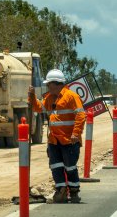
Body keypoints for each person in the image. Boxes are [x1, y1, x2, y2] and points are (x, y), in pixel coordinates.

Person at [28, 69, 86, 203]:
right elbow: (39, 108)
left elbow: (80, 115)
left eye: (49, 84)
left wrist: (76, 133)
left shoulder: (71, 96)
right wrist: (32, 97)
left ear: (57, 83)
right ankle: (61, 191)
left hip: (69, 140)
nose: (48, 87)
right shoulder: (49, 98)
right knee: (56, 166)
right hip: (54, 140)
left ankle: (74, 192)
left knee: (70, 167)